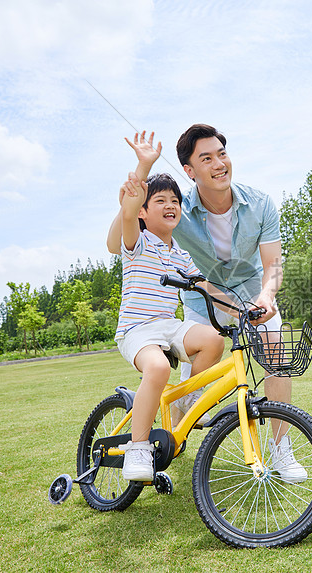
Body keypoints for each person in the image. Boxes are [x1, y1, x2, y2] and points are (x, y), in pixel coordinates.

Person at [108, 126, 306, 482]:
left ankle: (281, 449)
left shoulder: (259, 203)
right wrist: (137, 183)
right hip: (183, 311)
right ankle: (154, 438)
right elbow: (129, 222)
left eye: (222, 154)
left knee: (275, 352)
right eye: (206, 158)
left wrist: (262, 299)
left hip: (247, 294)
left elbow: (272, 265)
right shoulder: (175, 213)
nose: (219, 163)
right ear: (190, 170)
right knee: (184, 397)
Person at [113, 158, 224, 482]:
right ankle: (138, 447)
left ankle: (189, 405)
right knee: (159, 368)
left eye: (175, 200)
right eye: (160, 200)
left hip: (169, 326)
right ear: (145, 212)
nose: (170, 205)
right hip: (137, 330)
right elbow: (128, 212)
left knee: (213, 340)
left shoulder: (180, 254)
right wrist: (143, 167)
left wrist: (244, 308)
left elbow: (207, 287)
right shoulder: (137, 243)